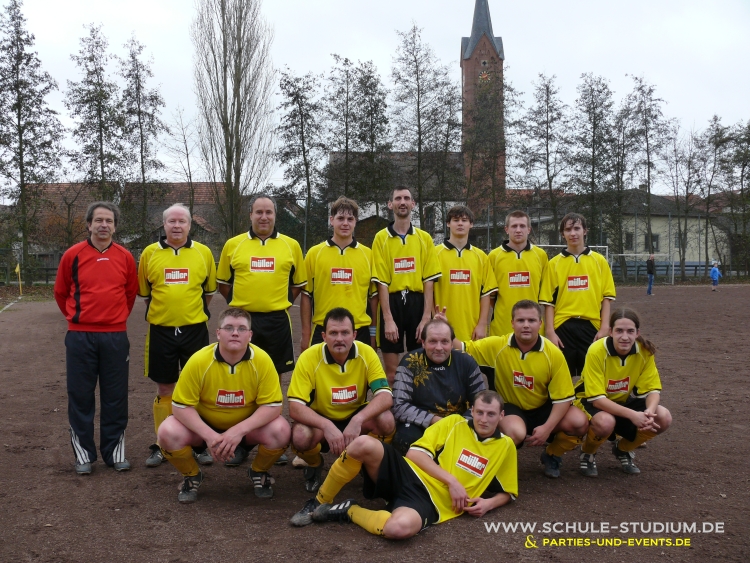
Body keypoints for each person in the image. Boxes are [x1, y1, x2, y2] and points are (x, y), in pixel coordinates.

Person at [290, 390, 517, 539]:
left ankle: (349, 510)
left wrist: (488, 504)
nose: (483, 419)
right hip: (409, 473)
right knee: (361, 444)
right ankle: (319, 501)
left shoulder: (505, 446)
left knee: (397, 530)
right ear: (472, 411)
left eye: (490, 414)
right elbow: (414, 454)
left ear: (501, 415)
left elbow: (508, 491)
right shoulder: (455, 423)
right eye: (479, 412)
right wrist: (452, 480)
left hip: (433, 503)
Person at [157, 308, 291, 503]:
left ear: (250, 335)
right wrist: (210, 436)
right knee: (167, 432)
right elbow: (180, 407)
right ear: (218, 333)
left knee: (281, 430)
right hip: (206, 427)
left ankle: (259, 472)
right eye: (229, 327)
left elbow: (272, 407)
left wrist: (237, 432)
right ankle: (192, 475)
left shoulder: (262, 361)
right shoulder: (199, 361)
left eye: (241, 329)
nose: (235, 332)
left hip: (246, 429)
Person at [444, 300, 588, 479]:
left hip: (542, 406)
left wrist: (547, 428)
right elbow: (463, 347)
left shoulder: (553, 353)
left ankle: (552, 454)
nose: (526, 325)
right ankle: (496, 467)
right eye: (520, 320)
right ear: (512, 323)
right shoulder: (498, 346)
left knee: (579, 422)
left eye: (531, 320)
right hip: (511, 408)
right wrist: (445, 327)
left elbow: (564, 398)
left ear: (540, 324)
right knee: (515, 433)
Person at [217, 193, 306, 466]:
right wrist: (244, 306)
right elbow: (223, 284)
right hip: (244, 320)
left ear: (275, 215)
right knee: (242, 379)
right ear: (251, 215)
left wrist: (278, 303)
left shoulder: (291, 246)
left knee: (274, 380)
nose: (264, 217)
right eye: (259, 212)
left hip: (277, 320)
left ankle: (272, 440)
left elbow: (298, 285)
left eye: (269, 212)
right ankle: (242, 443)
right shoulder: (233, 245)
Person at [53, 201, 138, 475]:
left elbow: (129, 293)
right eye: (98, 220)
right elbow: (61, 292)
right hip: (80, 337)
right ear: (88, 224)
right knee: (80, 396)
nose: (104, 225)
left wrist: (115, 318)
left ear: (115, 226)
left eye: (109, 221)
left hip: (115, 337)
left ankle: (115, 452)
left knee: (115, 396)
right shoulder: (72, 255)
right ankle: (84, 455)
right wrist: (78, 318)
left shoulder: (125, 257)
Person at [137, 204, 218, 468]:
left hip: (194, 330)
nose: (176, 226)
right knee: (165, 388)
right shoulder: (149, 254)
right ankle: (162, 445)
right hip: (161, 330)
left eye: (181, 221)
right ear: (164, 224)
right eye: (171, 221)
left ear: (189, 225)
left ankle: (198, 444)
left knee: (197, 389)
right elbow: (146, 294)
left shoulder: (203, 253)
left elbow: (208, 292)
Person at [287, 308, 395, 493]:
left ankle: (365, 461)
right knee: (300, 435)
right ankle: (314, 464)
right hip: (321, 420)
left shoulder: (367, 353)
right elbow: (295, 407)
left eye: (345, 333)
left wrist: (358, 420)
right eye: (333, 333)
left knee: (386, 420)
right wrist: (326, 425)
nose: (339, 338)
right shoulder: (309, 358)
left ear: (354, 335)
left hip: (355, 417)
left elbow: (385, 396)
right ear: (324, 336)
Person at [574, 308, 672, 476]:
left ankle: (623, 449)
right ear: (610, 332)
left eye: (630, 331)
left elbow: (652, 390)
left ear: (637, 333)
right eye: (619, 331)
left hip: (621, 401)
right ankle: (588, 453)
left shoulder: (644, 351)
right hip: (589, 400)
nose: (625, 337)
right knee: (605, 422)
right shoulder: (597, 350)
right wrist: (633, 416)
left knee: (663, 416)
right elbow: (597, 400)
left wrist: (648, 411)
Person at [372, 186, 441, 384]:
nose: (402, 202)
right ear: (390, 204)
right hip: (391, 303)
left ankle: (416, 411)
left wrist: (426, 317)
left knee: (420, 370)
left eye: (406, 198)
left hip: (417, 303)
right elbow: (382, 282)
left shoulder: (424, 238)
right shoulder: (380, 238)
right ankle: (394, 412)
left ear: (413, 204)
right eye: (398, 198)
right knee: (392, 374)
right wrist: (388, 318)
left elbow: (429, 281)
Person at [392, 318, 486, 455]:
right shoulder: (409, 362)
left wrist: (460, 423)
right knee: (403, 440)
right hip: (419, 423)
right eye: (432, 341)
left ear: (452, 343)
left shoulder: (467, 361)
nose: (439, 347)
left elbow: (481, 402)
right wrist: (435, 421)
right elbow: (399, 406)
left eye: (445, 341)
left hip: (458, 423)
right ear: (423, 342)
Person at [540, 212, 616, 378]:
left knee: (591, 377)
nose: (573, 233)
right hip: (563, 327)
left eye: (577, 228)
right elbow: (548, 303)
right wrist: (551, 332)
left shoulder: (599, 261)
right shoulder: (554, 264)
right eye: (568, 230)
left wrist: (604, 327)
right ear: (563, 234)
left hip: (592, 327)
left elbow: (606, 299)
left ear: (585, 231)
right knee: (561, 377)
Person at [300, 196, 377, 350]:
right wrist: (306, 334)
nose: (345, 223)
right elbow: (306, 296)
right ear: (331, 220)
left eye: (350, 219)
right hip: (323, 329)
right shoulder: (315, 253)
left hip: (359, 330)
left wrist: (373, 334)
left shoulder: (368, 254)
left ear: (356, 221)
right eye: (340, 218)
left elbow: (373, 299)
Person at [433, 205, 497, 342]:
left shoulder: (481, 257)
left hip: (472, 328)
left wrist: (482, 324)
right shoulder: (434, 254)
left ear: (471, 224)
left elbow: (485, 294)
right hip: (441, 326)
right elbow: (428, 292)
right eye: (456, 220)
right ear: (448, 224)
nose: (460, 223)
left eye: (464, 220)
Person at [488, 210, 549, 338]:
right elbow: (490, 297)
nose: (518, 230)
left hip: (532, 327)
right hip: (502, 327)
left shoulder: (540, 255)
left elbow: (545, 297)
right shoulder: (494, 256)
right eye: (514, 226)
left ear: (529, 229)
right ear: (506, 229)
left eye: (522, 226)